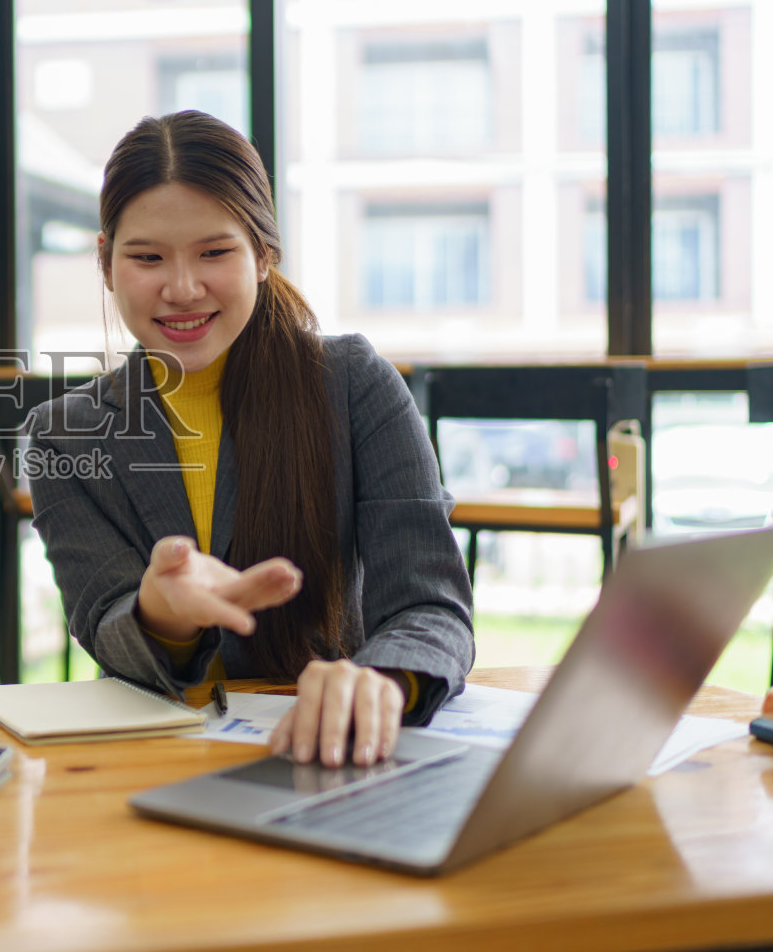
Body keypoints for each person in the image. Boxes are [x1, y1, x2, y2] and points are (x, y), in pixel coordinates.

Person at [26, 110, 473, 769]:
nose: (182, 288)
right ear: (106, 263)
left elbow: (430, 605)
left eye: (215, 252)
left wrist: (380, 681)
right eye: (147, 257)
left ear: (263, 255)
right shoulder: (64, 435)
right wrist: (161, 611)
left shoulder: (354, 384)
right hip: (151, 764)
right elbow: (105, 624)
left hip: (328, 754)